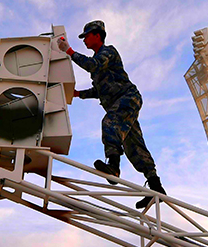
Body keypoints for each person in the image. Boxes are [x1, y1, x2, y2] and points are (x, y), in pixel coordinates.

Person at [58, 20, 165, 209]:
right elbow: (100, 90)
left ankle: (114, 167)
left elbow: (92, 65)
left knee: (110, 123)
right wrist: (78, 94)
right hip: (121, 102)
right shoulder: (100, 61)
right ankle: (156, 186)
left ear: (97, 35)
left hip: (128, 98)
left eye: (86, 36)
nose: (84, 40)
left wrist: (69, 51)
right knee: (134, 145)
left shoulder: (108, 52)